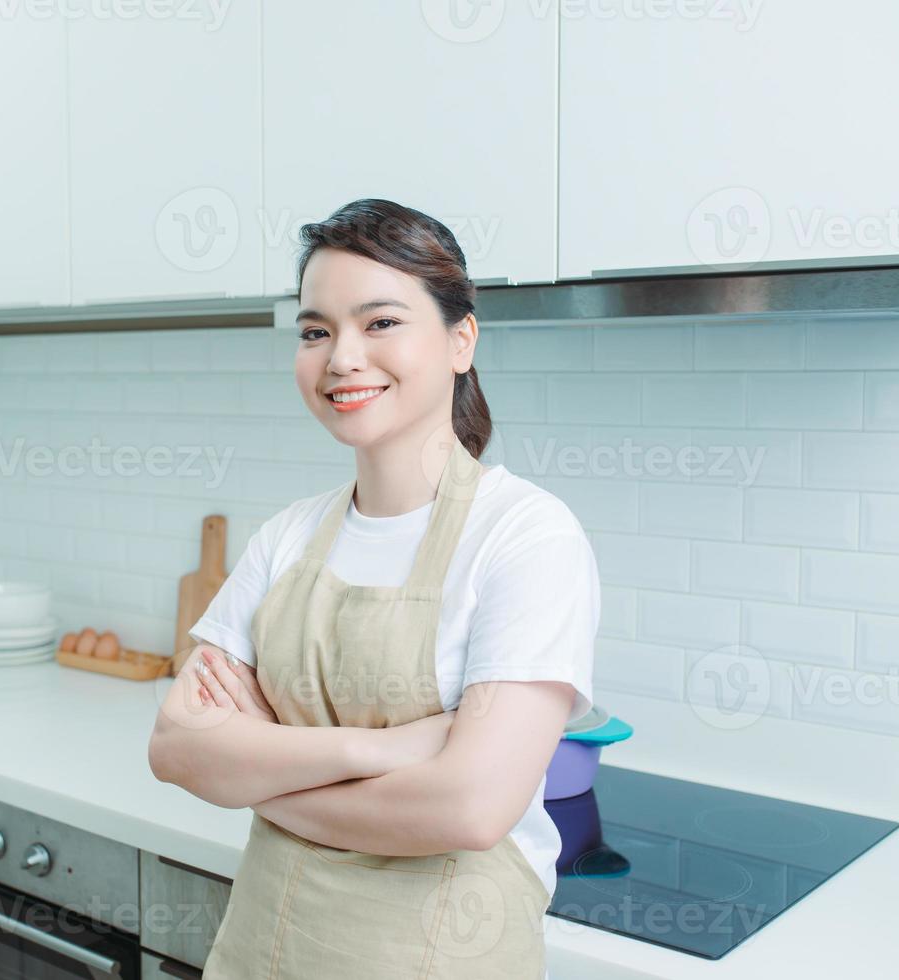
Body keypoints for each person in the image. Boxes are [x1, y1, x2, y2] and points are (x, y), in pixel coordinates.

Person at [147, 198, 599, 980]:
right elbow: (178, 750)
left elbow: (467, 808)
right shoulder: (287, 535)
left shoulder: (524, 536)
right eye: (316, 330)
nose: (340, 358)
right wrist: (384, 749)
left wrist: (264, 777)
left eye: (380, 323)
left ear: (461, 341)